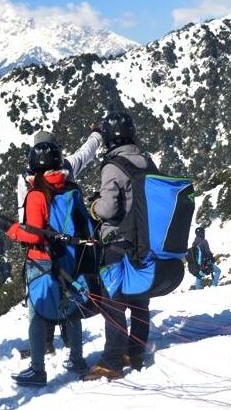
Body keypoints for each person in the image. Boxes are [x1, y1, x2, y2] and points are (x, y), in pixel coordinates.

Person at [4, 128, 102, 385]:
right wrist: (97, 135)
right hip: (70, 257)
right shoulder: (70, 186)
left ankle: (37, 369)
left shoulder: (35, 192)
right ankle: (77, 359)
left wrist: (13, 230)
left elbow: (33, 233)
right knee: (70, 309)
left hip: (42, 261)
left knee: (37, 314)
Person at [84, 111, 152, 381]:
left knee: (113, 303)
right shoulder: (146, 161)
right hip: (144, 243)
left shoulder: (113, 166)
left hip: (117, 243)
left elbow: (109, 208)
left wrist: (93, 206)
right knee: (139, 300)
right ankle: (134, 352)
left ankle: (112, 361)